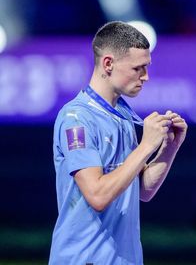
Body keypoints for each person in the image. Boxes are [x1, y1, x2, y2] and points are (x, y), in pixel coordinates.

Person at [49, 21, 187, 265]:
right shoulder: (77, 119)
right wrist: (146, 146)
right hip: (84, 259)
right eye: (138, 68)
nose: (146, 76)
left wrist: (168, 148)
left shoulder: (122, 115)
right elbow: (98, 195)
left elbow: (143, 190)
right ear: (108, 64)